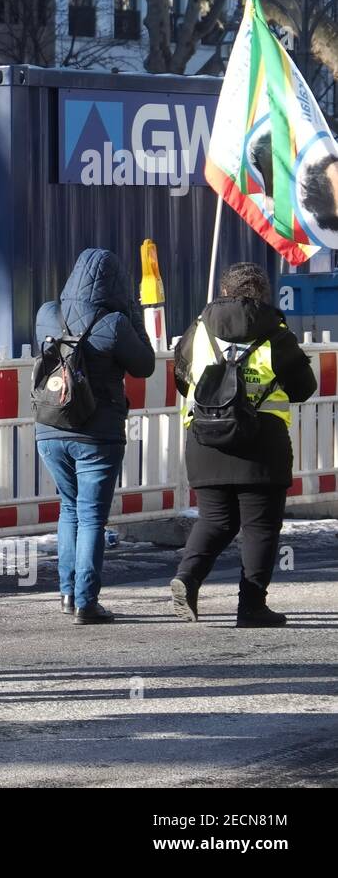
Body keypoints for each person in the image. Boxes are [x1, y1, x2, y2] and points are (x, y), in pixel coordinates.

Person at [171, 262, 316, 627]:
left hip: (207, 440)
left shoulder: (199, 330)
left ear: (224, 291)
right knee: (260, 527)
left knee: (216, 519)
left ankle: (187, 578)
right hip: (262, 443)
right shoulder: (276, 332)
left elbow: (182, 380)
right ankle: (251, 606)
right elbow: (303, 388)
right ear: (261, 293)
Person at [35, 248, 155, 625]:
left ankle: (68, 594)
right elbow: (145, 365)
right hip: (97, 434)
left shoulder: (47, 312)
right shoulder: (116, 322)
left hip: (50, 427)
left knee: (68, 508)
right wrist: (135, 317)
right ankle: (87, 601)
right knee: (90, 517)